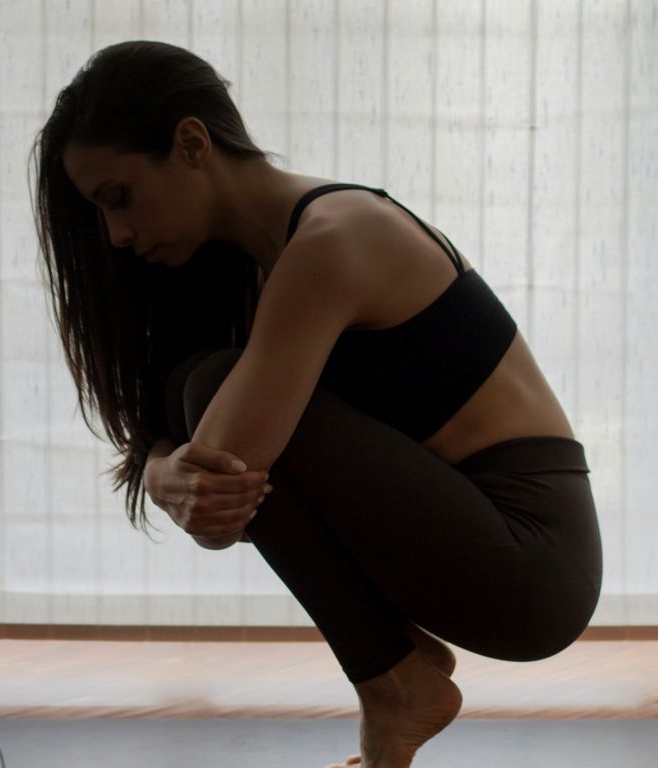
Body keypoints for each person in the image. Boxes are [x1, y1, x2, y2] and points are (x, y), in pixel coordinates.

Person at [30, 40, 602, 768]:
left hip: (532, 563)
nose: (115, 235)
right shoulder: (264, 267)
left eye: (119, 198)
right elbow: (218, 483)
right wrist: (163, 467)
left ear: (191, 142)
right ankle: (397, 680)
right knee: (194, 388)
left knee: (208, 390)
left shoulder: (335, 239)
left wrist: (162, 471)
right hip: (468, 541)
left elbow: (220, 495)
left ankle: (396, 684)